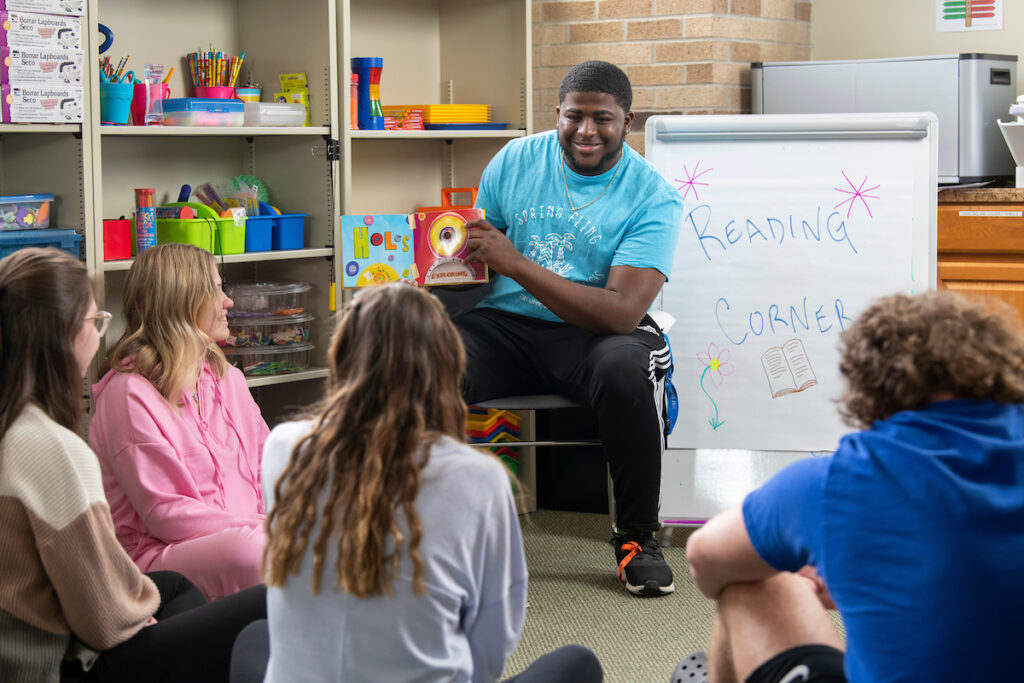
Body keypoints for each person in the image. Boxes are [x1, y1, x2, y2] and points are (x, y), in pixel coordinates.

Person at [261, 283, 602, 682]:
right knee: (579, 664)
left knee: (253, 640)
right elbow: (494, 640)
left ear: (340, 358)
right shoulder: (478, 478)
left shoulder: (283, 446)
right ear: (448, 366)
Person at [683, 290, 1024, 683]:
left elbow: (705, 559)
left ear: (871, 392)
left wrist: (845, 563)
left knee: (751, 579)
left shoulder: (841, 480)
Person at [459, 60, 684, 597]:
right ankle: (427, 533)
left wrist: (515, 264)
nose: (587, 131)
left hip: (595, 334)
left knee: (627, 368)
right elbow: (476, 260)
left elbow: (620, 314)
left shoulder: (653, 195)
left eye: (602, 119)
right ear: (556, 114)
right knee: (424, 359)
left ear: (626, 122)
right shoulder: (515, 159)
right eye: (574, 117)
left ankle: (636, 539)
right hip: (505, 326)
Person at [0, 247, 266, 682]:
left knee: (198, 588)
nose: (228, 302)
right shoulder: (57, 446)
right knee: (259, 589)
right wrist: (147, 617)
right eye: (95, 321)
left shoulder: (23, 433)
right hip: (60, 662)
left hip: (64, 637)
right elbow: (103, 616)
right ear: (66, 335)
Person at [90, 243, 269, 601]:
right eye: (216, 289)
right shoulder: (128, 394)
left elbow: (271, 467)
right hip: (157, 556)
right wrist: (268, 529)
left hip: (254, 533)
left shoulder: (227, 379)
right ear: (183, 300)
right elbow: (167, 515)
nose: (228, 302)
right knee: (256, 553)